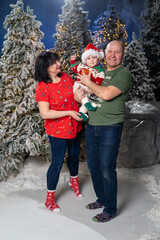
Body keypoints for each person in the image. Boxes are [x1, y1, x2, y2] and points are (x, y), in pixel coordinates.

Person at [76, 40, 132, 222]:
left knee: (107, 169)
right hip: (92, 126)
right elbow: (87, 92)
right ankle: (101, 199)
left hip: (110, 127)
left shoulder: (123, 74)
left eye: (117, 52)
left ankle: (110, 208)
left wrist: (87, 82)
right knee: (93, 166)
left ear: (122, 55)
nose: (113, 55)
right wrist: (79, 95)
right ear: (104, 53)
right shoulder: (98, 70)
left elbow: (106, 94)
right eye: (110, 52)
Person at [35, 50, 84, 212]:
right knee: (57, 163)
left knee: (74, 155)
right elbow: (45, 113)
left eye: (57, 61)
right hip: (57, 130)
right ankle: (49, 199)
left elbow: (74, 99)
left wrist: (79, 96)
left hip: (75, 125)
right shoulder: (43, 87)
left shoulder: (66, 77)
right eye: (53, 63)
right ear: (45, 67)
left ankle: (74, 181)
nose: (58, 64)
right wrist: (69, 112)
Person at [70, 43, 105, 121]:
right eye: (88, 58)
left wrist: (93, 88)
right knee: (83, 96)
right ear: (85, 60)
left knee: (87, 99)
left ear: (98, 58)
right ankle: (87, 104)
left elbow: (99, 80)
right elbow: (75, 69)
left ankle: (82, 113)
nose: (91, 60)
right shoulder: (82, 65)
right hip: (79, 85)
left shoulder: (99, 70)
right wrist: (73, 61)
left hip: (88, 87)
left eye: (94, 57)